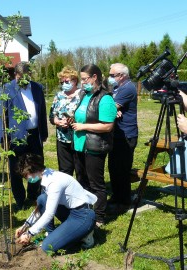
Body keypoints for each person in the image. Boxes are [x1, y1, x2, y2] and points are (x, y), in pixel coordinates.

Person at [14, 153, 97, 253]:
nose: (26, 179)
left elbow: (49, 213)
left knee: (47, 247)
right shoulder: (47, 175)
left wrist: (29, 233)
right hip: (71, 211)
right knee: (42, 199)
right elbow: (40, 207)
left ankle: (85, 234)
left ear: (34, 170)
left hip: (83, 215)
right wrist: (25, 226)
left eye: (26, 176)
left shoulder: (53, 183)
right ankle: (54, 234)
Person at [0, 61, 48, 210]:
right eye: (21, 77)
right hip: (16, 137)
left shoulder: (37, 88)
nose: (24, 80)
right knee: (16, 169)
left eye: (27, 76)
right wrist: (3, 138)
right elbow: (1, 116)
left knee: (36, 165)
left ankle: (33, 195)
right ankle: (19, 199)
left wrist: (43, 132)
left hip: (34, 135)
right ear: (16, 75)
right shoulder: (6, 89)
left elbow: (42, 112)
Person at [71, 64, 117, 227]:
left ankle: (99, 217)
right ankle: (86, 212)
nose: (82, 82)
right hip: (79, 144)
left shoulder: (105, 98)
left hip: (95, 146)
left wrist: (83, 127)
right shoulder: (84, 94)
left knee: (96, 183)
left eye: (84, 79)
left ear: (94, 77)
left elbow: (107, 126)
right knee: (82, 180)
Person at [107, 63, 138, 214]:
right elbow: (111, 106)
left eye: (112, 75)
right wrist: (113, 109)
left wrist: (112, 109)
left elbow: (109, 108)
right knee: (113, 168)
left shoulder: (128, 88)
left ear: (122, 75)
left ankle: (124, 201)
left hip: (127, 135)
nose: (110, 78)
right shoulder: (116, 88)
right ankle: (116, 195)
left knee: (122, 169)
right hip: (116, 134)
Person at [49, 66, 80, 175]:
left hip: (78, 138)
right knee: (65, 171)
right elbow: (51, 116)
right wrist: (57, 121)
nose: (63, 85)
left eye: (66, 81)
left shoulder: (82, 95)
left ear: (75, 80)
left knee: (81, 171)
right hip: (62, 139)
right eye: (61, 82)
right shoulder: (59, 96)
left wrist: (73, 121)